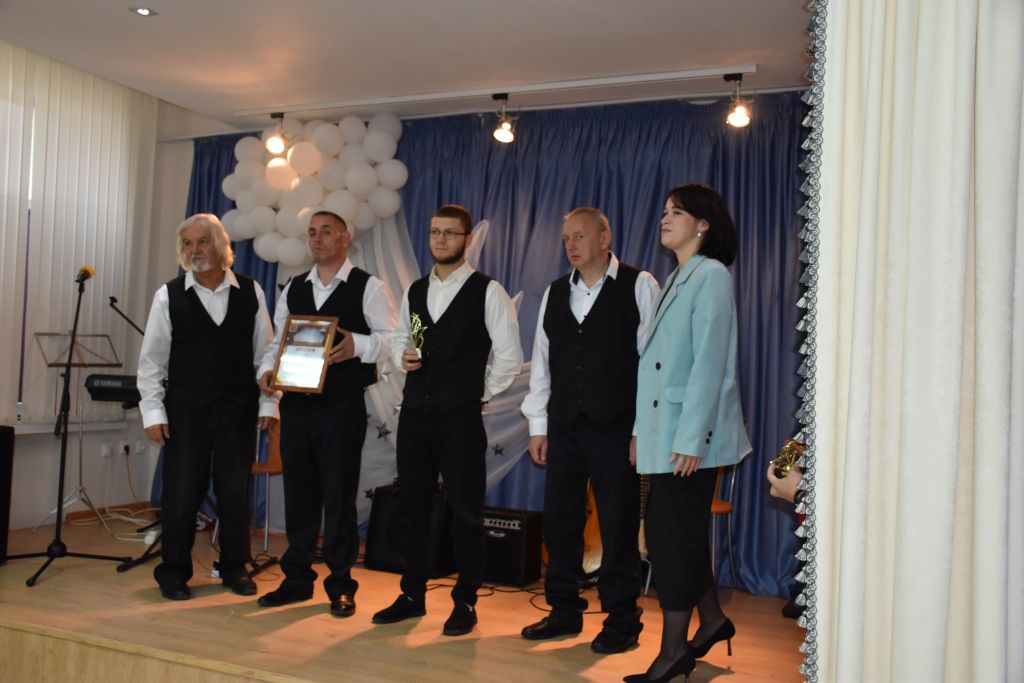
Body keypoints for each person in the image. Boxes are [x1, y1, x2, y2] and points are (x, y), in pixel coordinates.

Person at [373, 204, 523, 636]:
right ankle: (412, 594)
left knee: (465, 513)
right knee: (412, 509)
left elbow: (509, 357)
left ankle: (466, 601)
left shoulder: (487, 291)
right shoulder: (416, 290)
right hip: (415, 417)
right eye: (435, 232)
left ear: (467, 239)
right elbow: (403, 337)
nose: (440, 239)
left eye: (450, 233)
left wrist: (479, 393)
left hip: (461, 420)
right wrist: (402, 356)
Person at [627, 185, 752, 683]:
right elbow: (654, 371)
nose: (665, 218)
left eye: (676, 212)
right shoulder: (680, 276)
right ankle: (713, 620)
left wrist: (691, 439)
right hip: (667, 434)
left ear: (703, 224)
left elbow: (709, 364)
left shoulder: (712, 275)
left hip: (689, 439)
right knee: (677, 536)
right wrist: (642, 432)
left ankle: (674, 652)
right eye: (664, 211)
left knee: (670, 541)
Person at [519, 208, 659, 653]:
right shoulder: (555, 292)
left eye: (579, 236)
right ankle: (563, 611)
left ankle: (622, 620)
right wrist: (538, 425)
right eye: (566, 239)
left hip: (616, 427)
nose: (571, 246)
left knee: (618, 525)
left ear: (604, 237)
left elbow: (654, 363)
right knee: (560, 521)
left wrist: (641, 430)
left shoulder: (639, 285)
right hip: (563, 425)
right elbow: (542, 363)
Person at [256, 210, 396, 618]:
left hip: (341, 407)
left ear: (345, 237)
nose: (317, 239)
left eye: (326, 232)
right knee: (300, 497)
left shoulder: (369, 287)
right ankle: (297, 581)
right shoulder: (295, 287)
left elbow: (393, 340)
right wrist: (267, 371)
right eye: (312, 233)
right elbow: (276, 343)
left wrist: (358, 346)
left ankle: (341, 585)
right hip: (296, 406)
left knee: (338, 497)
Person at [138, 213, 278, 601]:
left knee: (235, 494)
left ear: (220, 246)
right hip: (185, 413)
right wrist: (153, 413)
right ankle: (173, 572)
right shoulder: (168, 295)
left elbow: (266, 355)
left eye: (202, 242)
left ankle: (234, 568)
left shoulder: (251, 291)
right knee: (181, 494)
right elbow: (151, 361)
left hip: (237, 410)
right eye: (188, 243)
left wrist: (269, 404)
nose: (194, 250)